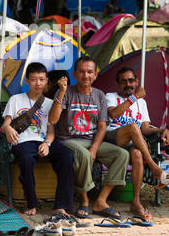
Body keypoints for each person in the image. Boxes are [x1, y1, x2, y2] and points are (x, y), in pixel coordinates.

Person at [49, 56, 130, 219]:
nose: (85, 76)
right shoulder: (65, 91)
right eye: (81, 71)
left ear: (95, 74)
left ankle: (101, 201)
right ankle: (84, 200)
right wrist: (62, 92)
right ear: (74, 73)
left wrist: (94, 147)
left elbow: (102, 127)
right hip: (68, 140)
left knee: (122, 155)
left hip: (91, 141)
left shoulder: (99, 95)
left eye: (90, 72)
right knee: (84, 155)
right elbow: (52, 120)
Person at [1, 62, 74, 217]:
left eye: (41, 79)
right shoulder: (16, 99)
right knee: (27, 159)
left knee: (66, 155)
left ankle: (60, 205)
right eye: (33, 79)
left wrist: (47, 144)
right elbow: (6, 124)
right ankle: (31, 202)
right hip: (21, 142)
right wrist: (7, 128)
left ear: (47, 80)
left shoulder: (49, 104)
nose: (38, 83)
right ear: (27, 81)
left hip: (41, 141)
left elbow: (50, 131)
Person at [105, 67, 169, 220]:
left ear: (137, 81)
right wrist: (134, 97)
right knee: (133, 127)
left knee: (137, 154)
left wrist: (163, 130)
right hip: (113, 137)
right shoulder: (110, 96)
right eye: (124, 81)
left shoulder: (142, 102)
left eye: (131, 80)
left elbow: (145, 129)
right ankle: (155, 167)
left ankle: (135, 202)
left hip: (132, 142)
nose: (128, 84)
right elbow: (113, 114)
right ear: (117, 83)